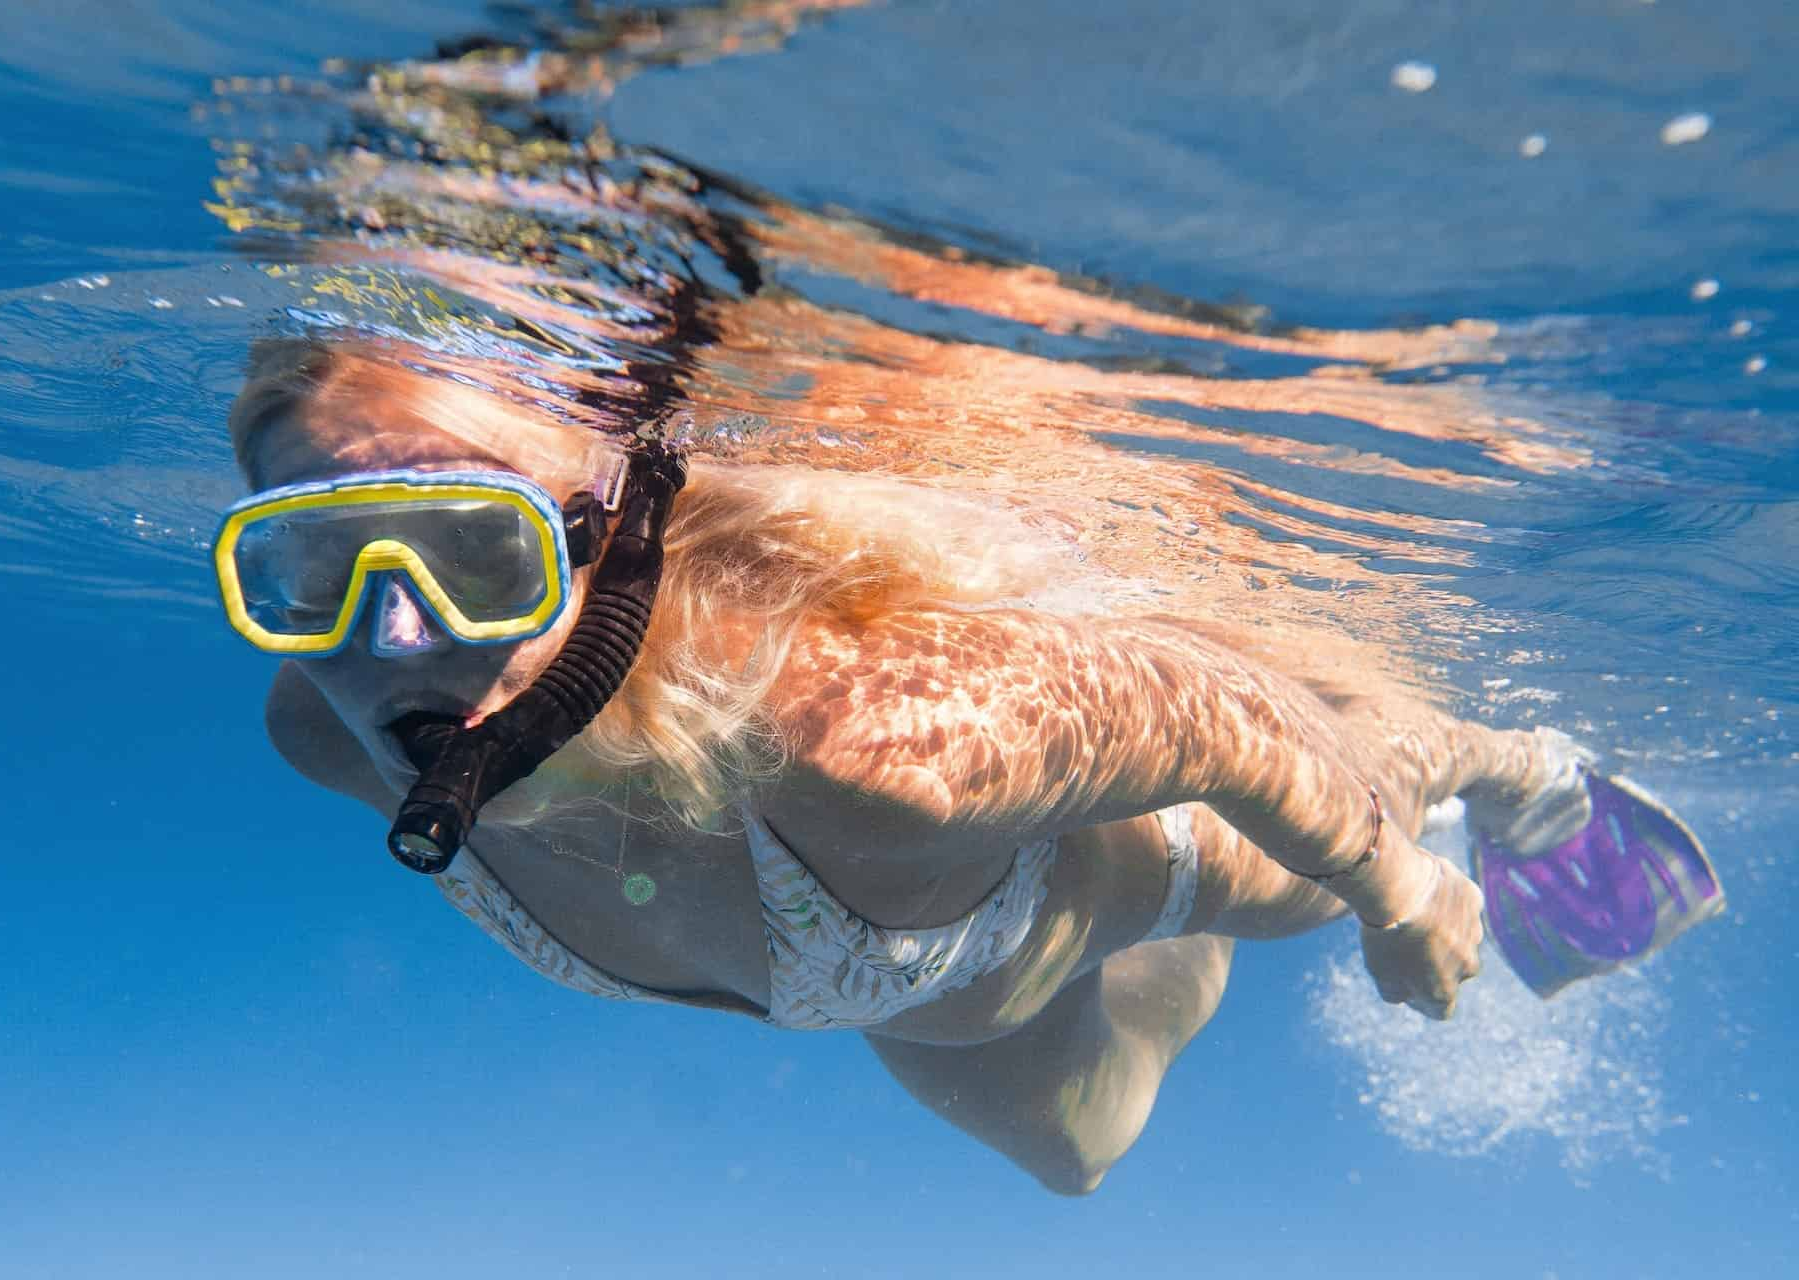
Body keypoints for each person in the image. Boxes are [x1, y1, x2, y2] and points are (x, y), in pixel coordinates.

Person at [214, 331, 1722, 1195]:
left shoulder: (863, 741)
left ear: (614, 545)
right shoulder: (316, 731)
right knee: (1082, 1160)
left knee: (1338, 821)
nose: (395, 640)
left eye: (480, 551)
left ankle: (1523, 774)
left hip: (1110, 856)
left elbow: (1223, 718)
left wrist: (1401, 892)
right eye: (306, 566)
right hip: (921, 985)